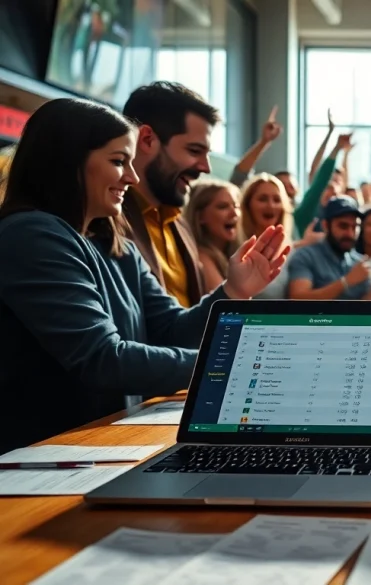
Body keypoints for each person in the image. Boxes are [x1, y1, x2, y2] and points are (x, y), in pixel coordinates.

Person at [0, 98, 287, 451]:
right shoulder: (32, 234)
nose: (132, 177)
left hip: (101, 446)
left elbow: (170, 329)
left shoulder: (115, 244)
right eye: (119, 162)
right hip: (42, 456)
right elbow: (103, 358)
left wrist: (233, 291)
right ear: (69, 161)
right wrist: (224, 362)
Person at [120, 81, 220, 307]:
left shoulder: (180, 225)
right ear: (146, 139)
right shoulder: (103, 221)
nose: (206, 168)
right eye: (194, 151)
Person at [287, 196, 371, 300]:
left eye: (355, 227)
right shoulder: (306, 256)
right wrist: (346, 282)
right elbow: (298, 299)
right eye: (343, 226)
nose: (350, 234)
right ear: (325, 226)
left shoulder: (359, 263)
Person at [238, 173, 294, 299]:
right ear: (247, 205)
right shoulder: (234, 246)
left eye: (277, 200)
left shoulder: (291, 251)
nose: (271, 205)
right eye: (262, 199)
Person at [184, 179, 239, 293]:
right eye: (223, 207)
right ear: (200, 217)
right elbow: (229, 306)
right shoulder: (202, 258)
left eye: (236, 206)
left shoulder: (228, 254)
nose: (234, 213)